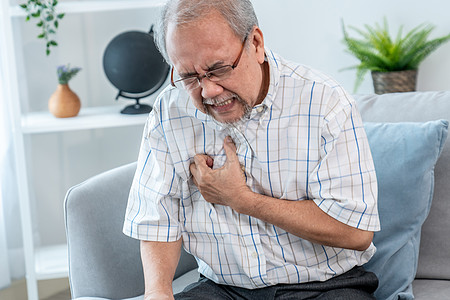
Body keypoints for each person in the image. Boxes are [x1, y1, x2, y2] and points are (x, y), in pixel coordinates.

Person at [123, 0, 380, 299]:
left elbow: (357, 232)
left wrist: (240, 199)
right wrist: (158, 293)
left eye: (218, 69)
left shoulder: (325, 102)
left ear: (255, 43)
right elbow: (158, 220)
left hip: (326, 287)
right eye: (189, 77)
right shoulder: (169, 113)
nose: (208, 91)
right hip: (223, 290)